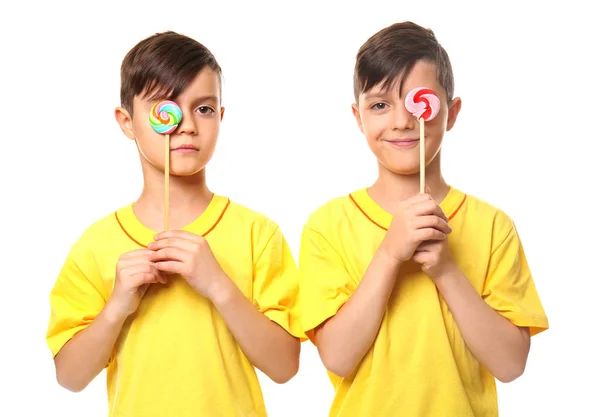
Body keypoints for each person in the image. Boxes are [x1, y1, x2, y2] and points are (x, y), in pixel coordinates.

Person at [46, 31, 302, 417]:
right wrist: (117, 306)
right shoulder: (96, 244)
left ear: (221, 116)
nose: (186, 126)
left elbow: (285, 367)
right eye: (165, 108)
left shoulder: (257, 234)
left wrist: (218, 285)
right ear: (127, 121)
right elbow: (70, 377)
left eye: (204, 109)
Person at [298, 21, 549, 417]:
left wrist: (447, 269)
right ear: (358, 117)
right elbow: (337, 358)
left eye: (419, 102)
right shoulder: (327, 226)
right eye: (380, 104)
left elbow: (511, 364)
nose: (401, 121)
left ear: (451, 113)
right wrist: (388, 254)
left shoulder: (493, 226)